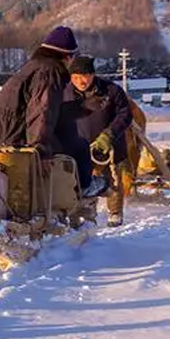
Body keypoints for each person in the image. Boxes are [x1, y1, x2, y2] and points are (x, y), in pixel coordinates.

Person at [0, 26, 105, 198]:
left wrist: (83, 107)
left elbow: (49, 111)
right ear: (68, 56)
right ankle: (82, 187)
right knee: (77, 144)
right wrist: (41, 151)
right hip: (12, 136)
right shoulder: (49, 71)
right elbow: (42, 112)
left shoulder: (35, 66)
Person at [62, 55, 134, 226]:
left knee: (112, 177)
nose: (81, 81)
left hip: (109, 144)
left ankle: (115, 212)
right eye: (76, 77)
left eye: (85, 76)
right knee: (83, 179)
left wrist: (109, 135)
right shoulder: (64, 93)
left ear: (93, 75)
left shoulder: (111, 90)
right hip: (79, 145)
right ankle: (86, 212)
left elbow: (125, 114)